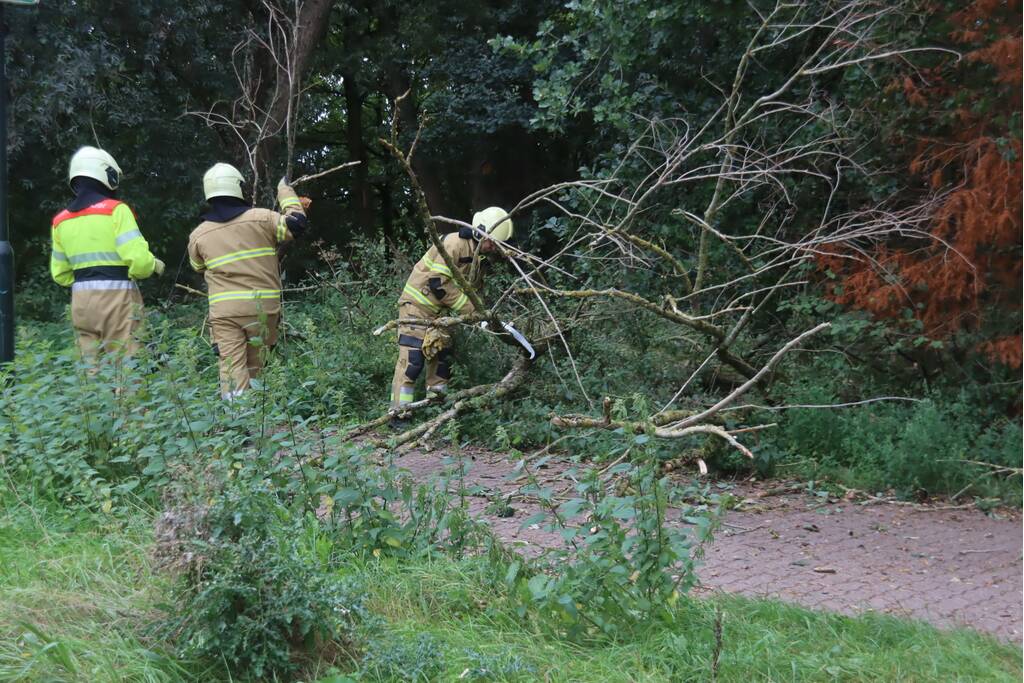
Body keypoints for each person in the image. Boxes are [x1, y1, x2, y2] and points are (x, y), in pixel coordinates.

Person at [187, 164, 309, 399]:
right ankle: (255, 418)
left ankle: (239, 425)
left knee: (231, 366)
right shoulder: (262, 218)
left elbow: (198, 267)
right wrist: (285, 190)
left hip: (225, 313)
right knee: (255, 367)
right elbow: (297, 223)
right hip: (262, 309)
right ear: (238, 187)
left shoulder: (198, 235)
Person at [389, 206, 513, 414]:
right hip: (416, 309)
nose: (493, 247)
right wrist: (471, 310)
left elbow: (472, 292)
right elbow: (438, 284)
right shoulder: (453, 244)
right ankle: (398, 414)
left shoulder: (479, 258)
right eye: (492, 241)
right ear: (479, 231)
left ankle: (436, 413)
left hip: (441, 314)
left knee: (441, 361)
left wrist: (483, 314)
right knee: (412, 362)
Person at [50, 146, 165, 365]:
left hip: (81, 302)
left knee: (92, 371)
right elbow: (140, 264)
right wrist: (154, 265)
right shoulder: (116, 210)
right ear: (105, 174)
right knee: (127, 369)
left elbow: (60, 275)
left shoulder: (60, 221)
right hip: (117, 298)